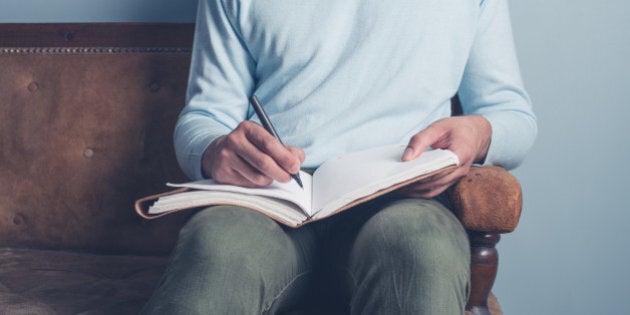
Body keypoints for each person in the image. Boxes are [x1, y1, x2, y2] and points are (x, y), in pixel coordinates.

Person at [141, 0, 536, 314]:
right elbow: (204, 116)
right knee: (215, 248)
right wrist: (214, 150)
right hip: (272, 198)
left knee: (421, 251)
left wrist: (479, 132)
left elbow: (513, 118)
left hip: (405, 195)